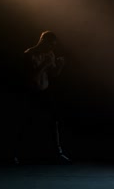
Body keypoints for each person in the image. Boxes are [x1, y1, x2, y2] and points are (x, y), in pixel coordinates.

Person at [14, 30, 71, 164]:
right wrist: (45, 64)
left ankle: (58, 153)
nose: (52, 48)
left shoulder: (50, 54)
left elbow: (53, 74)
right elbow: (33, 77)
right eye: (50, 44)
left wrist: (60, 67)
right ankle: (15, 153)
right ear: (43, 41)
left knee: (53, 121)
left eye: (53, 45)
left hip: (44, 92)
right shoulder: (29, 54)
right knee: (24, 122)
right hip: (30, 92)